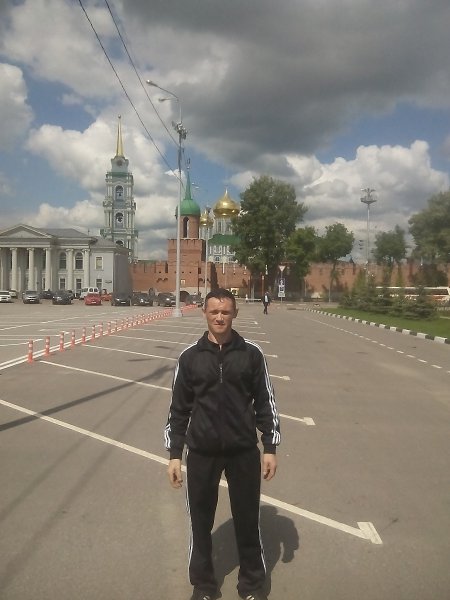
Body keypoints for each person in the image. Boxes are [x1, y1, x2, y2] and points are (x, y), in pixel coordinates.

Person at [164, 288, 281, 600]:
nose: (219, 317)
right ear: (204, 312)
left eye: (225, 312)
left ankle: (252, 585)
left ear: (234, 314)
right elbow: (178, 409)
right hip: (202, 452)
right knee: (200, 523)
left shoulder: (251, 354)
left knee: (247, 521)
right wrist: (174, 454)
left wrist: (270, 447)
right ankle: (203, 586)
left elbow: (266, 402)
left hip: (243, 451)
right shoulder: (190, 358)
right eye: (214, 311)